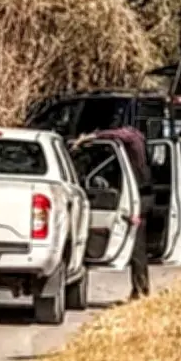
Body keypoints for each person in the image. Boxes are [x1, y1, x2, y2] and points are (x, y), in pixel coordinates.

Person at [72, 124, 153, 301]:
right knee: (137, 247)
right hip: (139, 196)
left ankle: (141, 290)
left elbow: (125, 135)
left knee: (137, 247)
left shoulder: (133, 139)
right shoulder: (137, 144)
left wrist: (92, 135)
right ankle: (140, 289)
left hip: (137, 198)